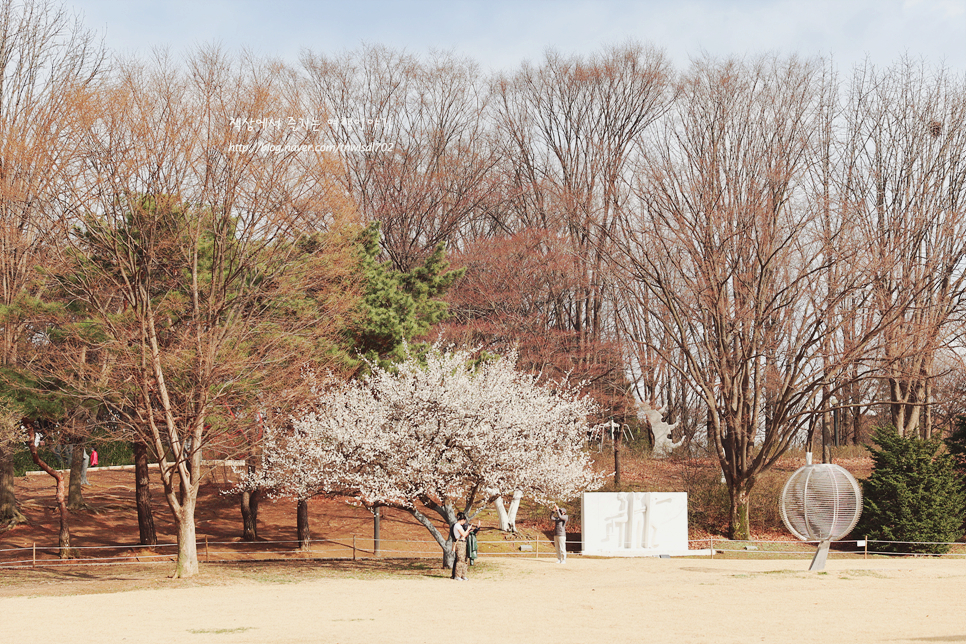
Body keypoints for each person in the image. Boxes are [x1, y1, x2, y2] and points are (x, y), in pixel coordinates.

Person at [450, 512, 479, 580]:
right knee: (460, 559)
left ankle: (463, 574)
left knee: (465, 559)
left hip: (464, 543)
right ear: (462, 519)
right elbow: (463, 534)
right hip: (459, 543)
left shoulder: (460, 526)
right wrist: (468, 529)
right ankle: (457, 575)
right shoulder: (457, 525)